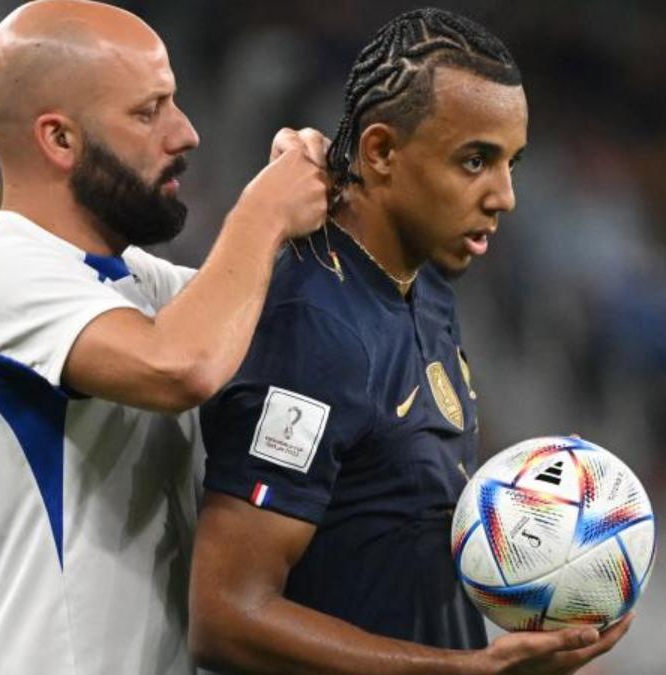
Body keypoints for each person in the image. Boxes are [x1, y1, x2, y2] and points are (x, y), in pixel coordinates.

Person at [192, 8, 631, 674]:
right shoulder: (316, 325)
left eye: (511, 162)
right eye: (475, 160)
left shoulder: (427, 289)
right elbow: (221, 613)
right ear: (380, 153)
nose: (505, 195)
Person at [0, 1, 329, 673]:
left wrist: (325, 191)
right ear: (60, 140)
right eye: (148, 112)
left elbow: (262, 314)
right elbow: (181, 366)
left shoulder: (140, 282)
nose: (187, 132)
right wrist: (263, 208)